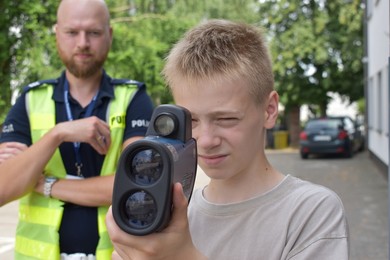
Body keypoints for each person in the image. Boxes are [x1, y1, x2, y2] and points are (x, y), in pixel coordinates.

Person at [105, 19, 349, 259]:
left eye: (226, 119)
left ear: (270, 110)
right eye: (191, 121)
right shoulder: (171, 217)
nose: (206, 140)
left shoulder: (311, 211)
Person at [0, 0, 154, 259]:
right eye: (72, 32)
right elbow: (4, 189)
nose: (82, 43)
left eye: (93, 32)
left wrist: (44, 183)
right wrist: (58, 133)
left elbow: (136, 186)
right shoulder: (30, 99)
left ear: (109, 35)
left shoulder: (134, 99)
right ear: (57, 34)